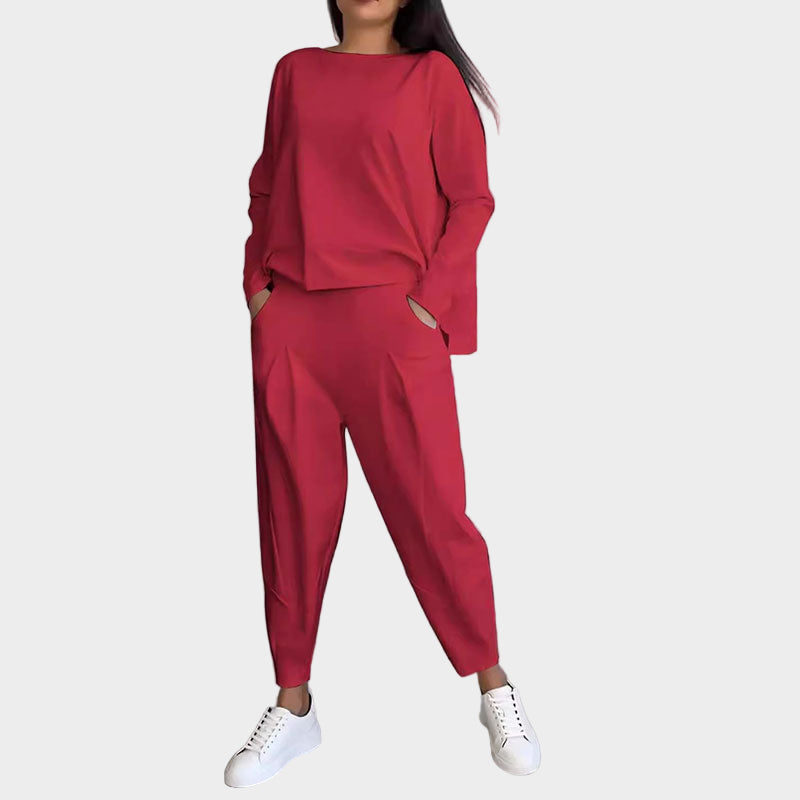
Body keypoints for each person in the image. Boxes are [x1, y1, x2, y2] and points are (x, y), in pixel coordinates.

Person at [224, 0, 540, 786]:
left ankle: (493, 685)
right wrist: (258, 288)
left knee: (433, 511)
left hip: (393, 323)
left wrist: (427, 303)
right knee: (291, 514)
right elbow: (266, 187)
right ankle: (293, 703)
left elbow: (471, 200)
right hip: (294, 322)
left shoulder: (431, 79)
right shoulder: (295, 73)